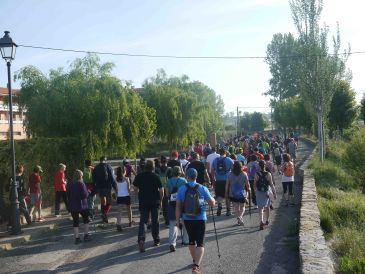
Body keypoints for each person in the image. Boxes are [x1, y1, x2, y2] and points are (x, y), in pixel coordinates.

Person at [175, 168, 215, 274]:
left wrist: (177, 220)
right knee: (200, 243)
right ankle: (196, 266)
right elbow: (212, 203)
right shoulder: (202, 188)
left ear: (187, 176)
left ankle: (194, 261)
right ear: (196, 176)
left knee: (191, 240)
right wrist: (214, 199)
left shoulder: (181, 189)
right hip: (200, 218)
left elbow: (178, 206)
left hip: (187, 218)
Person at [133, 160, 164, 252]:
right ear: (153, 167)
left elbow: (135, 188)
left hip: (143, 201)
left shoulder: (139, 176)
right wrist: (161, 200)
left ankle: (141, 239)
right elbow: (161, 191)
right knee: (155, 221)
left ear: (145, 167)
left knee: (143, 221)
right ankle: (156, 240)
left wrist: (137, 195)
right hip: (155, 201)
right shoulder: (156, 176)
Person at [166, 166, 189, 252]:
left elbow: (167, 193)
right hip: (182, 203)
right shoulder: (183, 181)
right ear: (180, 172)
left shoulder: (169, 181)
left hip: (172, 204)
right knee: (185, 221)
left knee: (173, 224)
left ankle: (172, 243)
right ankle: (186, 240)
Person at [66, 169, 91, 244]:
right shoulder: (81, 183)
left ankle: (77, 238)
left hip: (73, 205)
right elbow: (84, 195)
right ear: (80, 176)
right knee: (86, 219)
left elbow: (67, 194)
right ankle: (86, 235)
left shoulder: (69, 184)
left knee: (75, 221)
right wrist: (88, 192)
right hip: (82, 205)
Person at [92, 156, 117, 223]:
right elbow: (112, 177)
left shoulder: (96, 168)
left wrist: (95, 188)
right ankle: (104, 214)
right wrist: (115, 187)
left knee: (103, 201)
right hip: (107, 186)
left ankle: (104, 215)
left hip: (99, 187)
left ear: (100, 160)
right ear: (105, 160)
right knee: (109, 202)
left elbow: (93, 179)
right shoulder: (108, 166)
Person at [225, 161, 250, 226]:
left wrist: (226, 193)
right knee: (243, 207)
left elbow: (227, 185)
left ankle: (239, 219)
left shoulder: (229, 174)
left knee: (236, 207)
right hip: (242, 193)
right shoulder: (244, 174)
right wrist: (249, 191)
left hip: (232, 193)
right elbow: (248, 185)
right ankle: (240, 217)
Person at [254, 160, 277, 230]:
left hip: (259, 192)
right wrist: (274, 193)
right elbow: (271, 184)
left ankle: (261, 221)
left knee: (260, 208)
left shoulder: (256, 174)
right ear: (265, 166)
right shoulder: (268, 174)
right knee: (267, 206)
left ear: (259, 166)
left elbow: (254, 184)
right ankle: (267, 220)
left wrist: (255, 192)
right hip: (266, 192)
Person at [211, 148, 234, 216]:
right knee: (227, 195)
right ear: (225, 152)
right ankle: (228, 210)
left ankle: (220, 205)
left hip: (218, 180)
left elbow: (212, 171)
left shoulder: (215, 160)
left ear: (219, 152)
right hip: (227, 180)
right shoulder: (229, 160)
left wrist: (213, 179)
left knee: (219, 195)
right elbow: (233, 170)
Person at [115, 165, 133, 231]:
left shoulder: (116, 179)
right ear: (124, 171)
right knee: (129, 210)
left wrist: (116, 196)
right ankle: (130, 222)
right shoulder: (127, 179)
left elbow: (116, 190)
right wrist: (130, 191)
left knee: (119, 211)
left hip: (120, 196)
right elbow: (128, 189)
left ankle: (118, 224)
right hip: (126, 196)